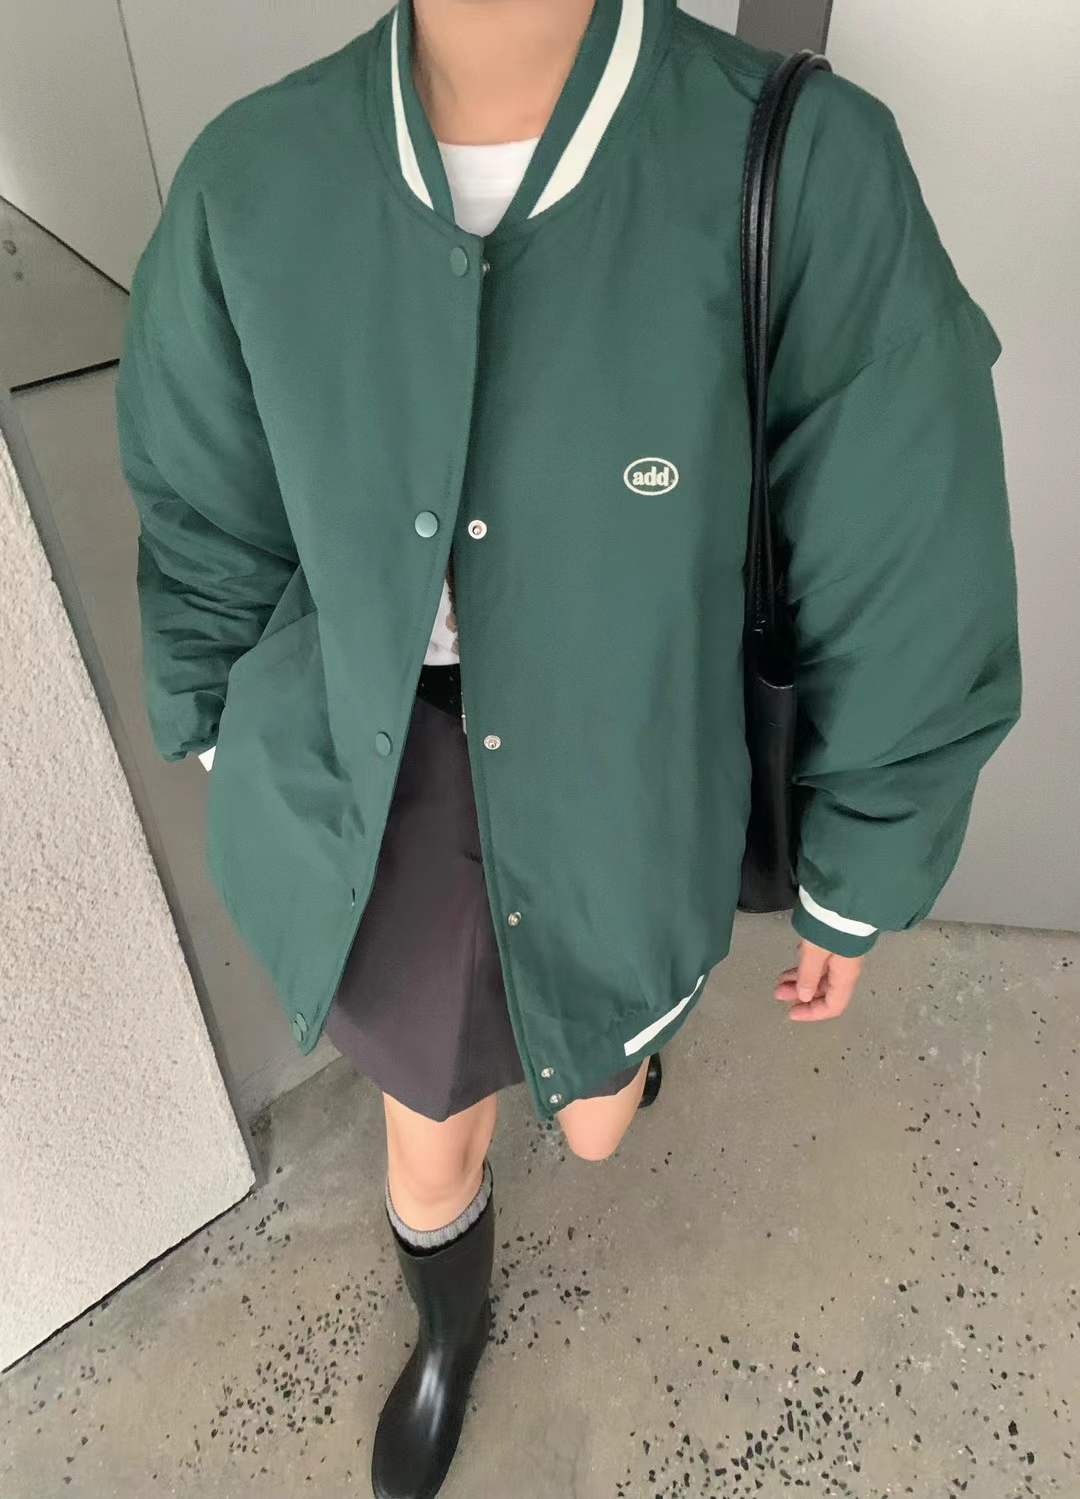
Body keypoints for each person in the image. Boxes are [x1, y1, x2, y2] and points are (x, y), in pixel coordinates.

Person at [113, 2, 1021, 1495]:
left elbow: (900, 538)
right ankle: (447, 1335)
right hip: (382, 758)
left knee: (596, 1119)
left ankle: (607, 1066)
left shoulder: (797, 158)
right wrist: (227, 732)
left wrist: (863, 862)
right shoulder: (251, 179)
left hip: (630, 743)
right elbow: (206, 505)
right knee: (429, 1124)